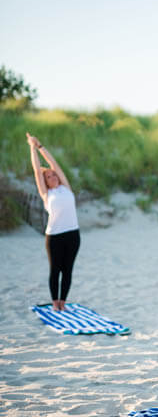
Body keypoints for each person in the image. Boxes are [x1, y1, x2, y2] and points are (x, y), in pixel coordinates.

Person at [26, 133, 80, 311]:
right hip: (54, 237)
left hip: (73, 234)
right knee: (55, 270)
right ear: (45, 182)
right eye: (49, 176)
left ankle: (63, 302)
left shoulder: (66, 188)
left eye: (54, 175)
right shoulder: (46, 194)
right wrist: (32, 148)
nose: (53, 176)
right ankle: (55, 303)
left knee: (68, 270)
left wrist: (40, 146)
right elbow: (36, 170)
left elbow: (54, 164)